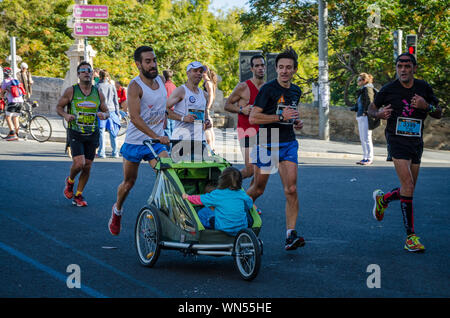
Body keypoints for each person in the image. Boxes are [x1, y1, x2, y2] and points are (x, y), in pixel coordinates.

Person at [368, 52, 442, 253]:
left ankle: (383, 199)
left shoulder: (423, 88)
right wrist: (379, 113)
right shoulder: (389, 89)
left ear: (414, 68)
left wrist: (426, 106)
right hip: (396, 139)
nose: (403, 70)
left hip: (415, 141)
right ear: (396, 68)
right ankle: (410, 237)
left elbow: (439, 112)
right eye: (400, 66)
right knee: (408, 184)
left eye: (407, 66)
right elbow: (371, 108)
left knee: (408, 189)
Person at [247, 47, 305, 251]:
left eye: (289, 67)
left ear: (295, 70)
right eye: (281, 67)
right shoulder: (267, 90)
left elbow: (292, 115)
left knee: (291, 189)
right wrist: (280, 118)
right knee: (258, 189)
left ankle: (290, 235)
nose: (284, 71)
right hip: (266, 141)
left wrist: (296, 123)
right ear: (276, 69)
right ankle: (238, 215)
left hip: (288, 142)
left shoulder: (296, 91)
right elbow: (254, 117)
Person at [109, 46, 169, 236]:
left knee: (166, 175)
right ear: (138, 64)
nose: (153, 65)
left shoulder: (161, 80)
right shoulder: (135, 86)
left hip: (155, 143)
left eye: (154, 60)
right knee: (128, 183)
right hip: (136, 142)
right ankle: (117, 210)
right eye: (148, 61)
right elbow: (135, 117)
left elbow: (163, 108)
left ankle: (158, 215)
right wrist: (156, 135)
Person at [56, 61, 109, 207]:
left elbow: (106, 111)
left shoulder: (98, 92)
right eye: (83, 71)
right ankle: (70, 181)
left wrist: (104, 115)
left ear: (92, 74)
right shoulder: (71, 91)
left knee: (88, 166)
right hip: (76, 132)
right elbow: (59, 107)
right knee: (80, 163)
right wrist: (66, 116)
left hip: (92, 133)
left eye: (89, 71)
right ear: (78, 75)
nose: (86, 73)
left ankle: (78, 195)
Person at [224, 54, 266, 180]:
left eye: (262, 65)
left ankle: (250, 198)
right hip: (247, 130)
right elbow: (227, 105)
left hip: (263, 132)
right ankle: (225, 182)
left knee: (260, 171)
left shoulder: (267, 88)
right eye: (257, 66)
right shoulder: (243, 87)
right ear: (252, 69)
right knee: (250, 170)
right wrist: (242, 109)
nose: (260, 68)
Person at [182, 167, 253, 236]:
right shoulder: (242, 193)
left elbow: (200, 199)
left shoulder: (218, 193)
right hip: (242, 228)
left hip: (223, 228)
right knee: (244, 208)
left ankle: (199, 231)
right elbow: (249, 204)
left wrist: (188, 197)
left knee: (202, 213)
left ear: (222, 180)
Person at [166, 61, 211, 160]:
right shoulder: (181, 91)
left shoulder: (204, 94)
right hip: (181, 139)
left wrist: (207, 121)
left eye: (201, 71)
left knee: (200, 173)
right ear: (188, 73)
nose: (199, 73)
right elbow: (165, 110)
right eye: (195, 71)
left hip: (199, 140)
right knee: (180, 173)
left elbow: (205, 112)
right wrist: (183, 118)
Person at [350, 72, 378, 165]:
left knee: (367, 138)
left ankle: (369, 158)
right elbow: (361, 103)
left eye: (359, 80)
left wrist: (367, 112)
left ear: (364, 80)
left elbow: (370, 101)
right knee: (362, 138)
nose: (357, 82)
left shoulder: (368, 88)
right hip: (360, 115)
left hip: (365, 116)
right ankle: (365, 157)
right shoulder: (363, 89)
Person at [96, 70, 121, 158]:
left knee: (101, 132)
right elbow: (115, 101)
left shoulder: (97, 86)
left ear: (99, 76)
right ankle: (115, 152)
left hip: (101, 111)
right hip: (112, 111)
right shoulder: (111, 86)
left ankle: (102, 152)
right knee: (113, 132)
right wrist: (118, 113)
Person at [1, 67, 24, 141]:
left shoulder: (5, 81)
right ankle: (16, 134)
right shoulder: (15, 80)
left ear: (4, 74)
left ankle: (12, 133)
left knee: (8, 117)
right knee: (15, 117)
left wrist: (2, 97)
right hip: (20, 101)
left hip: (12, 101)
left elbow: (2, 91)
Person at [202, 66, 218, 150]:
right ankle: (212, 147)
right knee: (210, 128)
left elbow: (211, 95)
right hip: (207, 107)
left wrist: (207, 107)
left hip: (207, 107)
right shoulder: (208, 82)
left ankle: (211, 147)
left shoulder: (208, 82)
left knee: (207, 128)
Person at [163, 69, 177, 137]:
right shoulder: (174, 86)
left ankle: (169, 147)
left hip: (166, 111)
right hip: (174, 111)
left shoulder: (164, 86)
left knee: (167, 130)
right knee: (173, 130)